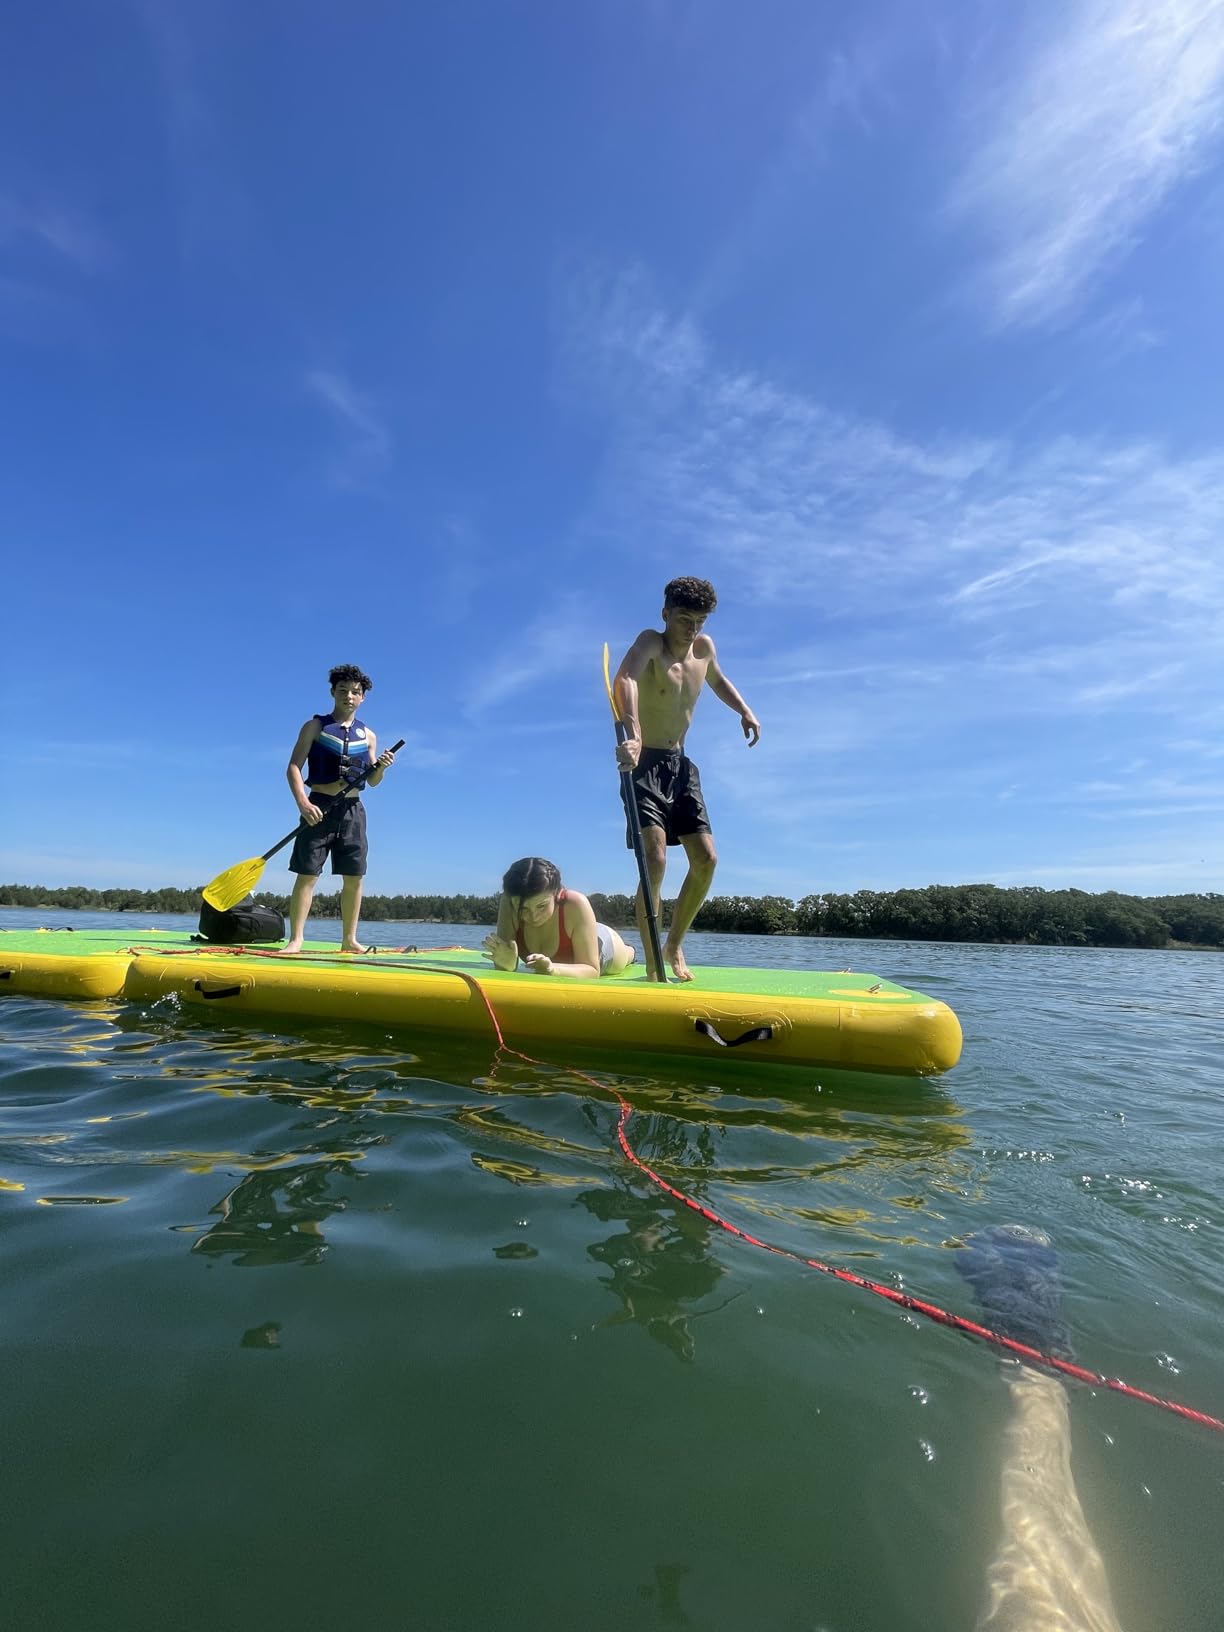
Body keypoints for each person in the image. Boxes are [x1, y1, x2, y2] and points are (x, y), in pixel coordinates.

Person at [613, 576, 760, 982]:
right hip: (644, 763)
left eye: (699, 621)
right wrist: (633, 733)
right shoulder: (650, 643)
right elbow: (625, 678)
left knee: (707, 859)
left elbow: (718, 680)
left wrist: (744, 710)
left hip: (681, 765)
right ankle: (652, 963)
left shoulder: (704, 649)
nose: (692, 628)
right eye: (683, 619)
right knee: (655, 860)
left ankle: (673, 945)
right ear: (665, 614)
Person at [283, 663, 395, 954]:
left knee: (354, 877)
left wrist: (382, 768)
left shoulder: (368, 735)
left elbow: (373, 781)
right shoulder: (315, 727)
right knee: (308, 874)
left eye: (355, 692)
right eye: (343, 690)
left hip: (353, 811)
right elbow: (293, 767)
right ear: (332, 692)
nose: (349, 696)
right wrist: (303, 803)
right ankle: (296, 939)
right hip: (318, 806)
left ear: (363, 697)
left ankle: (349, 939)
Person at [482, 857, 636, 979]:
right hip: (579, 929)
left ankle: (632, 951)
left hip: (604, 942)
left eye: (541, 906)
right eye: (523, 909)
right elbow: (506, 961)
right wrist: (508, 965)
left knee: (624, 956)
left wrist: (552, 969)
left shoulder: (576, 902)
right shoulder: (509, 901)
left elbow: (592, 970)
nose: (533, 916)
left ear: (557, 893)